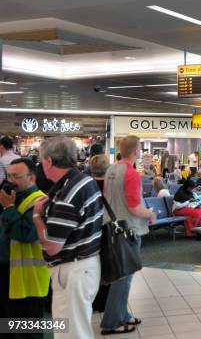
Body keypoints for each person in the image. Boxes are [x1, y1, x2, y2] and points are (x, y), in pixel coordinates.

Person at [31, 136, 104, 339]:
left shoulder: (67, 194)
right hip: (85, 264)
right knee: (76, 328)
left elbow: (53, 247)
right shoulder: (83, 181)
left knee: (71, 334)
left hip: (72, 270)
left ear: (48, 161)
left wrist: (37, 217)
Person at [102, 135, 157, 335]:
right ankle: (112, 322)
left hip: (112, 227)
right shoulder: (132, 174)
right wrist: (150, 214)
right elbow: (134, 207)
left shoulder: (111, 169)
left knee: (121, 274)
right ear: (136, 151)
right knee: (123, 277)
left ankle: (123, 315)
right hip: (129, 229)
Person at [0, 158, 50, 337]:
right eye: (9, 175)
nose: (11, 180)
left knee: (27, 329)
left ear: (32, 178)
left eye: (17, 176)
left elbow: (26, 234)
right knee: (7, 326)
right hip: (8, 270)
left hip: (29, 277)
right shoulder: (8, 197)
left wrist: (9, 208)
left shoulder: (40, 200)